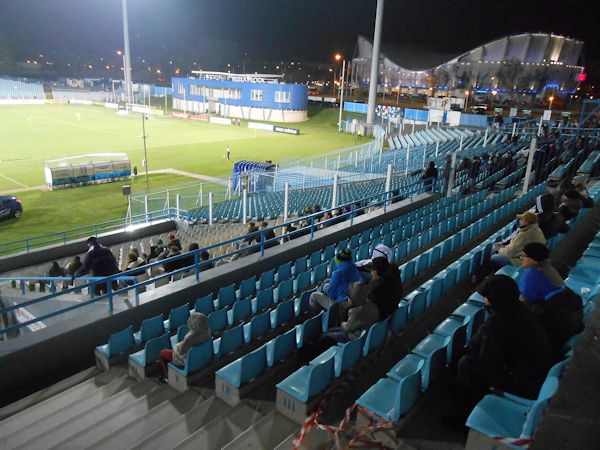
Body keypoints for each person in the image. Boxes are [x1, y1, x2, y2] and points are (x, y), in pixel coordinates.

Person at [457, 275, 551, 403]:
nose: (484, 300)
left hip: (525, 384)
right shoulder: (520, 309)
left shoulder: (497, 324)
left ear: (495, 299)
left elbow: (487, 361)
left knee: (466, 363)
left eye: (486, 297)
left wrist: (479, 338)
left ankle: (472, 403)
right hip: (540, 373)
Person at [519, 243, 584, 351]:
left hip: (557, 328)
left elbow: (523, 302)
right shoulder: (548, 269)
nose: (522, 258)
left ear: (534, 260)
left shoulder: (532, 274)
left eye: (524, 256)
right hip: (571, 319)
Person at [159, 312, 211, 381]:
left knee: (163, 353)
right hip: (201, 357)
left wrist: (176, 347)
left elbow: (181, 352)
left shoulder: (189, 338)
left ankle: (168, 377)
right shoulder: (207, 331)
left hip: (189, 361)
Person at [309, 249, 363, 313]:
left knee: (314, 295)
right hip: (353, 297)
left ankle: (315, 316)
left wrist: (326, 289)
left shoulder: (338, 273)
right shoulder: (353, 266)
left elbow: (331, 294)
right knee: (327, 282)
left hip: (341, 304)